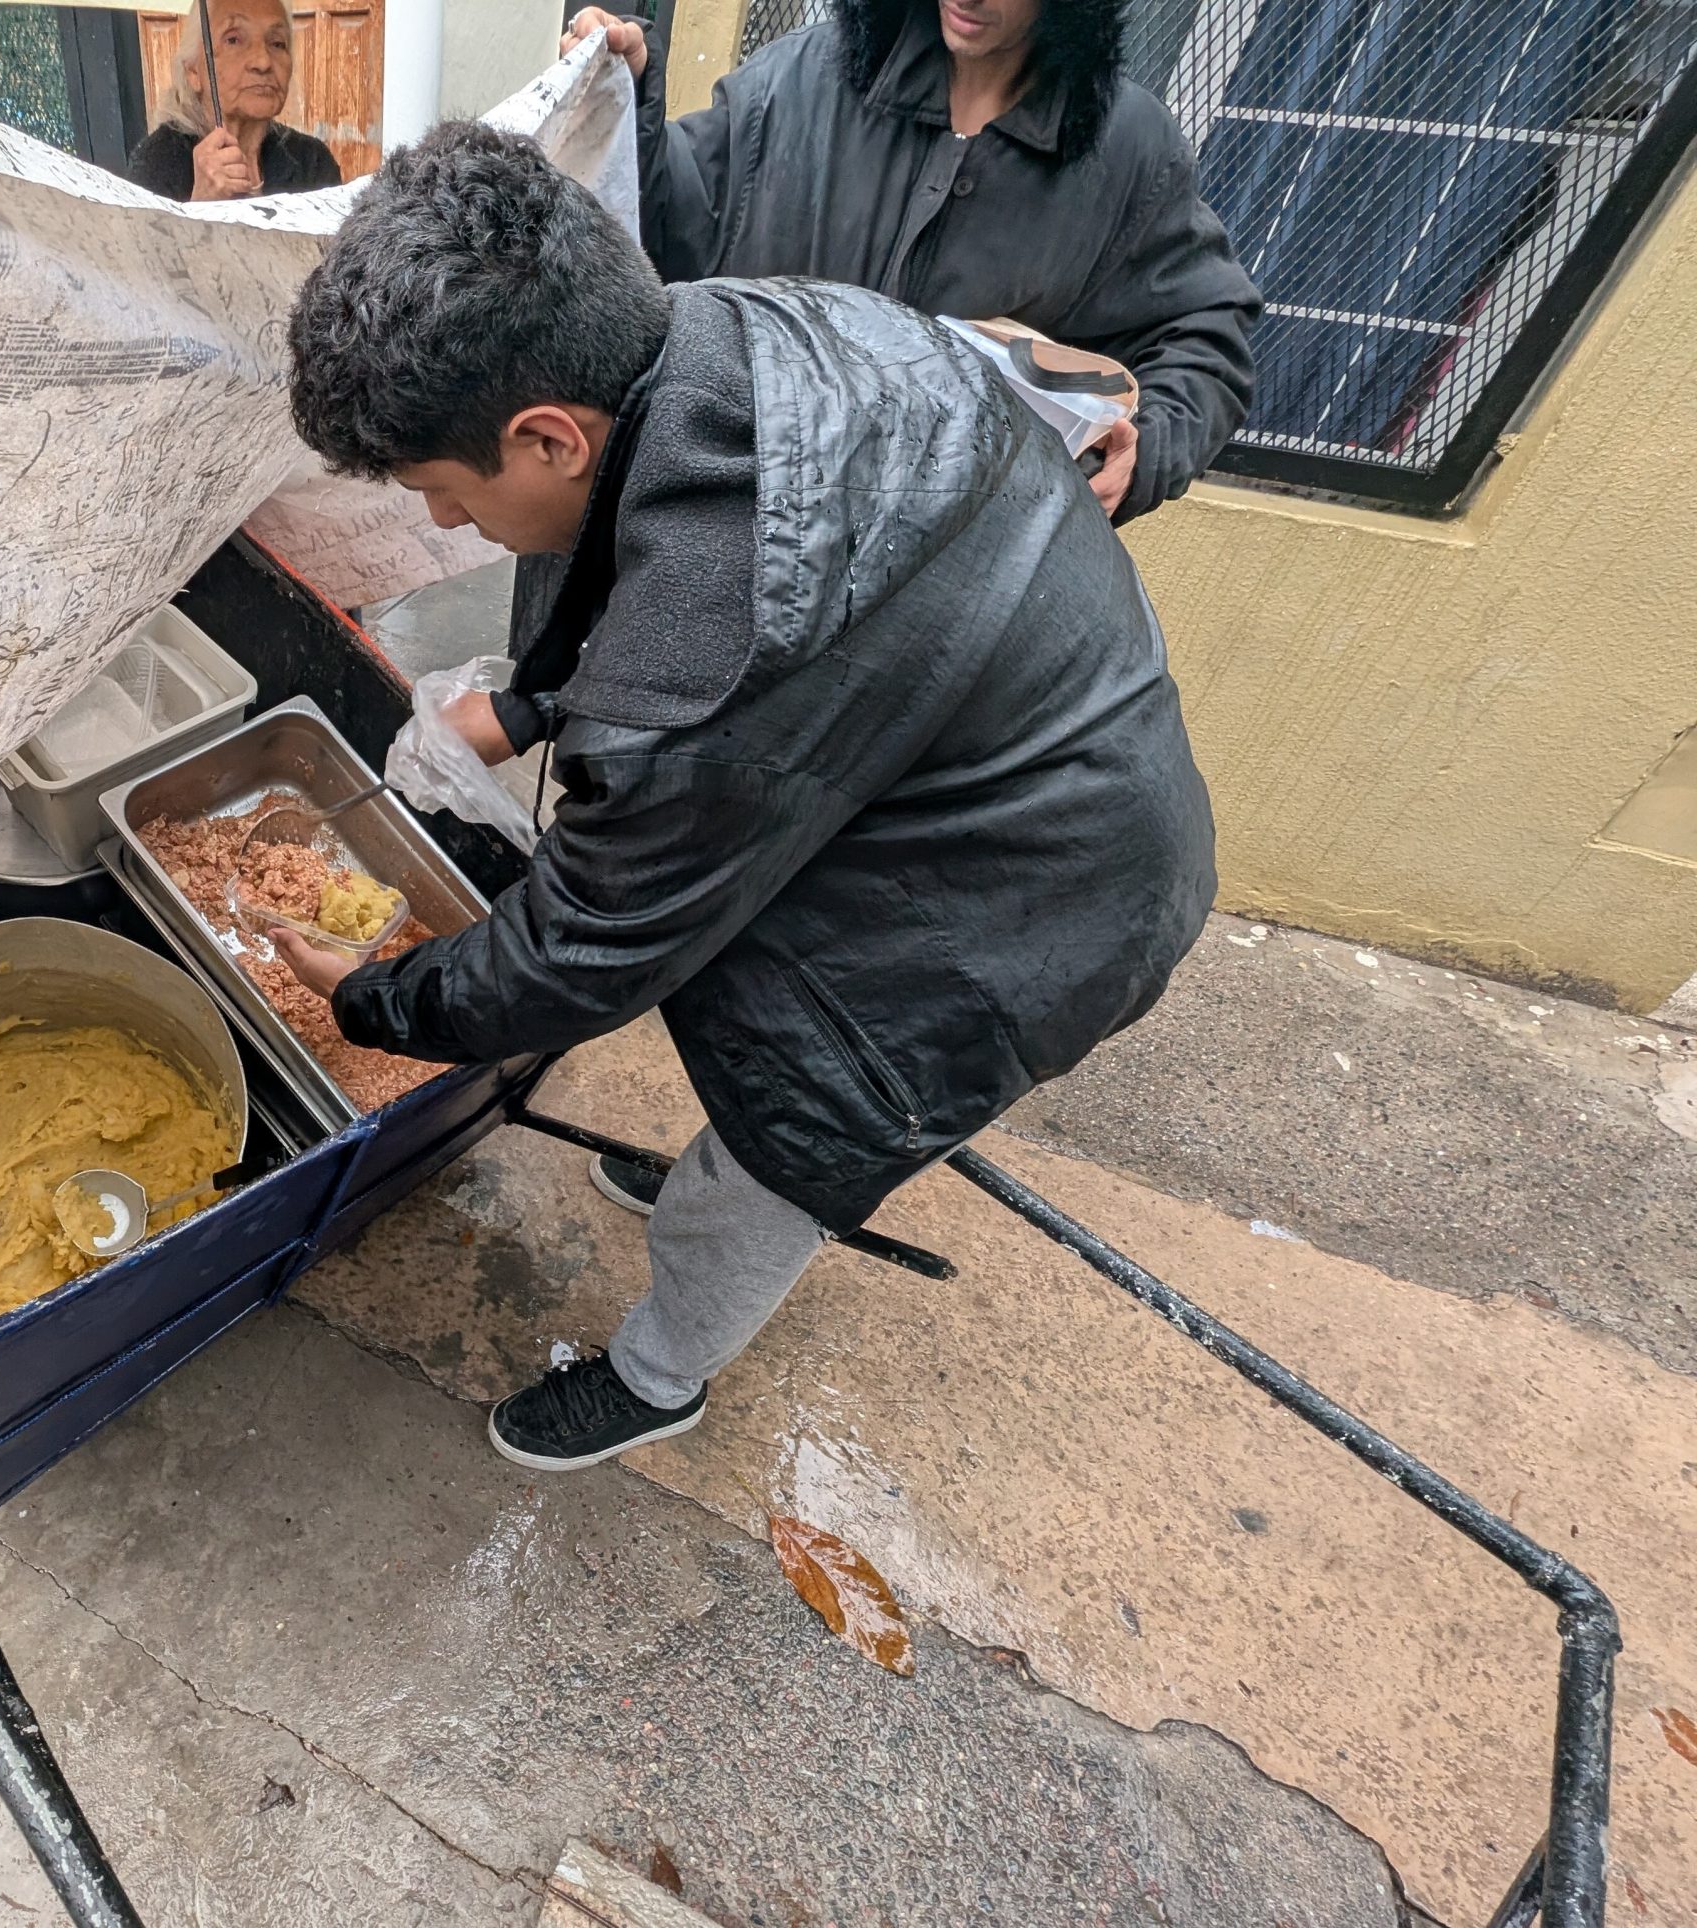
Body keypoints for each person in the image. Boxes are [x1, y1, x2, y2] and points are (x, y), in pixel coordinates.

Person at [276, 123, 1216, 1472]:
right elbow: (680, 595)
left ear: (544, 435)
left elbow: (586, 954)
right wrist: (539, 699)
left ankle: (662, 1376)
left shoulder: (706, 663)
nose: (447, 532)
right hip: (992, 762)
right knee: (751, 1067)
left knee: (791, 1139)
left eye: (443, 493)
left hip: (1032, 906)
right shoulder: (718, 327)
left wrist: (370, 990)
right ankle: (732, 1164)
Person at [561, 0, 1259, 524]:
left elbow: (1204, 337)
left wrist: (1147, 447)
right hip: (741, 531)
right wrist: (630, 102)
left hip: (948, 583)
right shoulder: (801, 79)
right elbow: (667, 232)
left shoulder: (1126, 149)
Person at [127, 0, 343, 204]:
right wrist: (200, 206)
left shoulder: (312, 161)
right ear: (193, 70)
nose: (263, 62)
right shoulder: (158, 162)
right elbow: (145, 243)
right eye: (233, 39)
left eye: (277, 43)